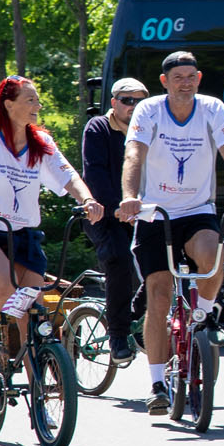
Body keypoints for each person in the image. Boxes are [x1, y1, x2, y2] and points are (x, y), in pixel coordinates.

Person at [115, 51, 224, 415]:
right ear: (165, 82)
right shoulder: (149, 110)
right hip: (155, 213)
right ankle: (156, 383)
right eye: (177, 77)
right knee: (159, 294)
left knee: (212, 251)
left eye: (191, 76)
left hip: (198, 210)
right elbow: (134, 154)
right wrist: (129, 198)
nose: (186, 82)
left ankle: (203, 314)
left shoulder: (212, 109)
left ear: (198, 79)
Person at [0, 75, 104, 365]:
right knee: (3, 284)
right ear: (8, 104)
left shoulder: (41, 143)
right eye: (30, 99)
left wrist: (87, 200)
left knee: (33, 315)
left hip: (24, 235)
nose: (38, 104)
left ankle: (42, 393)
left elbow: (68, 176)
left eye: (37, 99)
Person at [82, 76, 147, 365]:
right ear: (113, 103)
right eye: (127, 100)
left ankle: (140, 316)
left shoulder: (150, 129)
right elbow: (95, 175)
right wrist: (119, 208)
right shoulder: (98, 128)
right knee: (120, 259)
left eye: (139, 101)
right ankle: (118, 335)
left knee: (167, 260)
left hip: (142, 212)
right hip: (105, 213)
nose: (133, 106)